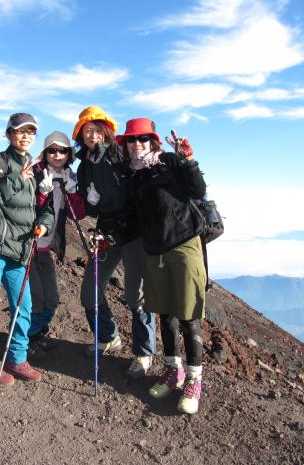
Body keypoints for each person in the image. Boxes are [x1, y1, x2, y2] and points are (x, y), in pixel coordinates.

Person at [119, 117, 207, 414]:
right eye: (132, 139)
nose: (137, 144)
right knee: (166, 314)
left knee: (187, 315)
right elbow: (134, 217)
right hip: (154, 251)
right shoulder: (134, 175)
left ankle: (194, 379)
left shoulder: (168, 161)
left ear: (153, 140)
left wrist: (188, 160)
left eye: (143, 138)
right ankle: (174, 371)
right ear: (126, 144)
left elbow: (197, 191)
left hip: (183, 245)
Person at [0, 112, 54, 387]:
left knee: (23, 306)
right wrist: (17, 178)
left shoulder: (37, 169)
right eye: (20, 131)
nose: (26, 135)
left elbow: (45, 207)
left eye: (31, 131)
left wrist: (43, 224)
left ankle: (16, 357)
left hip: (19, 249)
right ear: (9, 134)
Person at [73, 106, 156, 379]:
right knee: (90, 292)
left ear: (107, 131)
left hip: (132, 233)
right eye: (87, 131)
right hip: (106, 233)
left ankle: (144, 354)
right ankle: (108, 337)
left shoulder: (120, 154)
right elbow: (92, 208)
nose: (93, 135)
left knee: (136, 295)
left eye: (98, 130)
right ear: (81, 136)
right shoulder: (85, 165)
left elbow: (136, 196)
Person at [27, 131, 85, 360]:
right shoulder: (34, 173)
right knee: (36, 298)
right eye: (52, 149)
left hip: (47, 247)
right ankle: (25, 341)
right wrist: (42, 193)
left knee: (51, 298)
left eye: (62, 150)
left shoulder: (70, 175)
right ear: (45, 152)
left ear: (69, 153)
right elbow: (27, 209)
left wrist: (72, 191)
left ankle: (38, 333)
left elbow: (77, 215)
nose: (57, 154)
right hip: (28, 245)